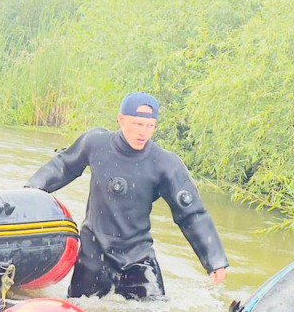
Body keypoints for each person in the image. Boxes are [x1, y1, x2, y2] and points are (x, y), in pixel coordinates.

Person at [26, 92, 229, 300]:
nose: (143, 132)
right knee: (79, 311)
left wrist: (214, 260)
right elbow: (63, 166)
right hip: (94, 254)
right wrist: (32, 191)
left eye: (150, 126)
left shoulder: (165, 164)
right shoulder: (95, 144)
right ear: (121, 119)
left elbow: (192, 214)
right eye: (137, 124)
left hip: (138, 257)